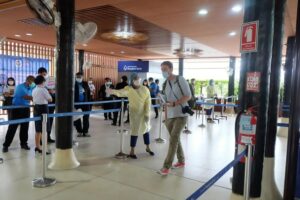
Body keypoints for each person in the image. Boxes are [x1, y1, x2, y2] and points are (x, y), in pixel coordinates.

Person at [107, 73, 154, 159]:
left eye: (138, 79)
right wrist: (112, 91)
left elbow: (148, 102)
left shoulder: (145, 89)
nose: (137, 80)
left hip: (144, 113)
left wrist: (147, 113)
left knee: (146, 130)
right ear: (132, 80)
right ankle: (132, 151)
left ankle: (148, 147)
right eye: (135, 79)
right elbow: (121, 92)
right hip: (134, 114)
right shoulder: (129, 89)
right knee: (134, 131)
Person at [158, 61, 191, 176]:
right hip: (170, 116)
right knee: (175, 139)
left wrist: (175, 103)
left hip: (181, 114)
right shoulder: (165, 84)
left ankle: (166, 166)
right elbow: (166, 101)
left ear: (171, 69)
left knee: (173, 139)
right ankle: (181, 161)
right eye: (162, 69)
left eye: (165, 69)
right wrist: (165, 116)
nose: (163, 72)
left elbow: (188, 96)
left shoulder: (180, 80)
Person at [2, 75, 35, 153]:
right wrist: (37, 97)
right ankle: (6, 145)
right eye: (32, 82)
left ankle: (23, 143)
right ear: (28, 81)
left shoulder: (31, 87)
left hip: (26, 109)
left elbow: (33, 95)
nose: (33, 84)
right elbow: (27, 97)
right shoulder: (20, 87)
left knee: (25, 127)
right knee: (12, 127)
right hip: (17, 108)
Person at [32, 75, 52, 154]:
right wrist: (50, 93)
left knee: (38, 130)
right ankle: (44, 149)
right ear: (42, 82)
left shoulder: (34, 89)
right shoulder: (43, 90)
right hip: (43, 109)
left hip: (36, 108)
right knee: (45, 130)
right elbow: (50, 99)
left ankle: (37, 147)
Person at [37, 67, 55, 143]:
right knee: (42, 122)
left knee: (50, 120)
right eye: (42, 74)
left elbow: (54, 89)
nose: (44, 75)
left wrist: (53, 90)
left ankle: (48, 137)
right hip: (42, 105)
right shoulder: (37, 81)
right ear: (39, 74)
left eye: (45, 74)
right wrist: (48, 90)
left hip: (51, 103)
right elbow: (38, 90)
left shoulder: (49, 80)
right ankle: (41, 139)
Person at [74, 72, 91, 137]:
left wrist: (89, 102)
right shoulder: (73, 84)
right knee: (77, 118)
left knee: (86, 118)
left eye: (80, 77)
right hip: (77, 103)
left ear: (82, 77)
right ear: (75, 77)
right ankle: (79, 131)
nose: (79, 78)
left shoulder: (85, 83)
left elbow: (88, 93)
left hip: (85, 103)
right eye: (77, 77)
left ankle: (85, 131)